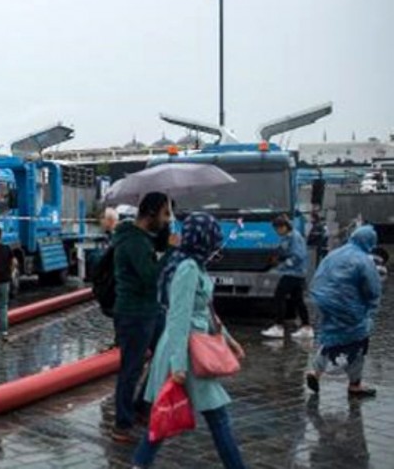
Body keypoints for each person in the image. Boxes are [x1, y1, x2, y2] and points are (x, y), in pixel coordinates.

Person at [131, 212, 247, 469]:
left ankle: (139, 465)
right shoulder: (188, 268)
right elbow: (179, 318)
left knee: (166, 415)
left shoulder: (194, 265)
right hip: (185, 351)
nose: (217, 242)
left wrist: (228, 340)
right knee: (217, 418)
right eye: (213, 236)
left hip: (188, 348)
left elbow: (205, 310)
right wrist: (179, 366)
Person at [111, 191, 171, 443]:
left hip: (151, 309)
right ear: (150, 214)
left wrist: (165, 242)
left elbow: (153, 252)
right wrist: (170, 252)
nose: (168, 219)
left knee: (165, 357)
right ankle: (122, 423)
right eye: (165, 214)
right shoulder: (133, 242)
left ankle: (140, 406)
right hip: (134, 312)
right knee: (131, 369)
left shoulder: (143, 238)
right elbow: (149, 276)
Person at [305, 225, 383, 398]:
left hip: (324, 303)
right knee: (359, 341)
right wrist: (371, 308)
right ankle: (355, 385)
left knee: (330, 338)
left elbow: (319, 275)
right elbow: (372, 289)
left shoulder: (335, 253)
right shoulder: (364, 260)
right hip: (349, 307)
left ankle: (315, 372)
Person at [262, 215, 313, 339]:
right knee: (298, 300)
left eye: (278, 229)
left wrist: (281, 265)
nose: (277, 232)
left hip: (293, 273)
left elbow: (297, 256)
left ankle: (279, 326)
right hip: (297, 273)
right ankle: (306, 327)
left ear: (284, 227)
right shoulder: (288, 237)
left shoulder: (294, 237)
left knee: (279, 296)